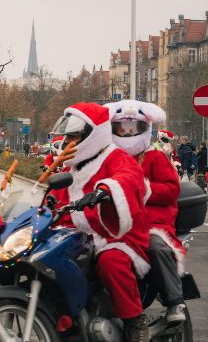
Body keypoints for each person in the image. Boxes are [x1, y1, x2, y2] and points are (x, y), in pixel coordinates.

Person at [50, 102, 150, 342]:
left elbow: (129, 178)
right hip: (79, 236)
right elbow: (55, 198)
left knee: (111, 262)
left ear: (92, 134)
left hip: (116, 236)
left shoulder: (117, 157)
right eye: (67, 137)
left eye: (74, 136)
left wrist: (106, 190)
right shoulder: (73, 167)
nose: (68, 142)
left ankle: (134, 320)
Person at [107, 100, 186, 326]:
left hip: (152, 222)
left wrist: (145, 188)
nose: (127, 133)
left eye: (133, 129)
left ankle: (174, 300)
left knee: (155, 246)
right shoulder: (110, 158)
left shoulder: (155, 157)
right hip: (116, 223)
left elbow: (172, 189)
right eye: (122, 129)